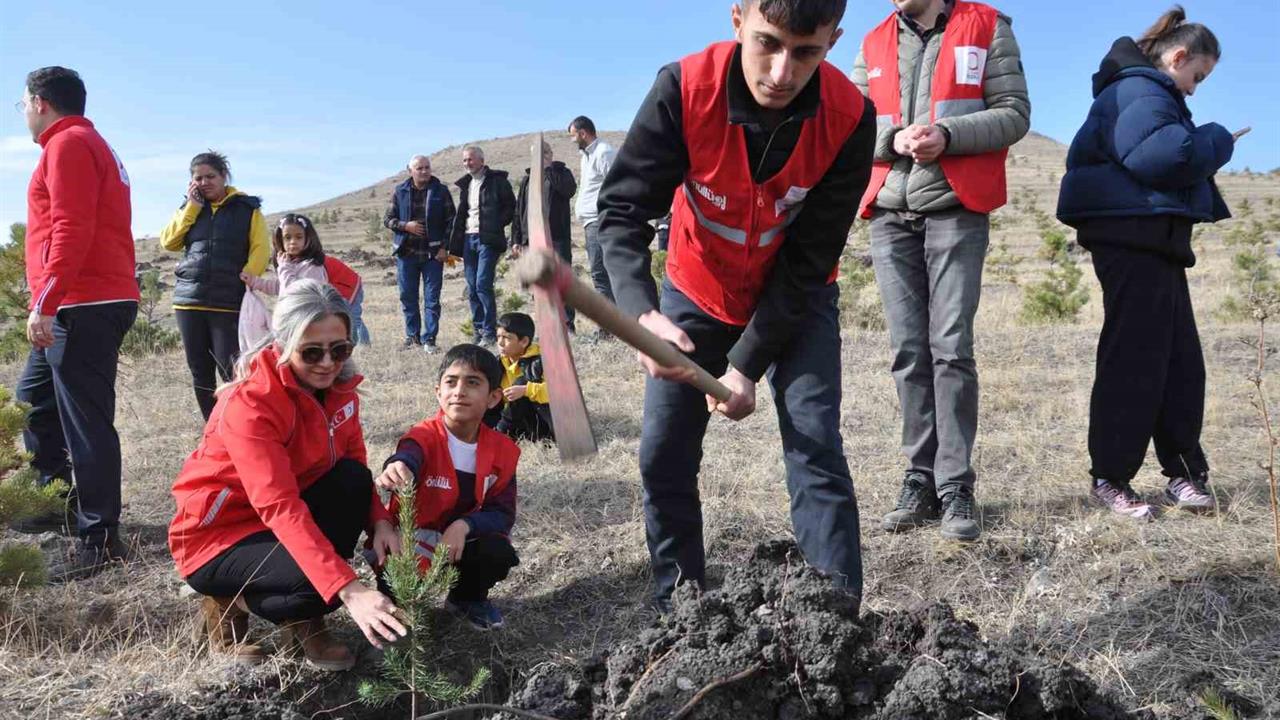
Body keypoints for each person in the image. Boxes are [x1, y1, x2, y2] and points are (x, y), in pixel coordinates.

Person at [596, 0, 876, 610]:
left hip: (797, 296)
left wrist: (746, 363)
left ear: (834, 41)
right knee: (664, 453)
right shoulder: (684, 90)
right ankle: (681, 609)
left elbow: (810, 259)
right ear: (737, 21)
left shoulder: (850, 117)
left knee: (815, 445)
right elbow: (621, 213)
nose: (781, 73)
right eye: (767, 43)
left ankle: (835, 619)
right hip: (695, 290)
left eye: (806, 52)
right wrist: (643, 313)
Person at [851, 0, 1029, 541]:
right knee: (909, 352)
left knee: (950, 349)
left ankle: (955, 485)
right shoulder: (873, 41)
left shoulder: (988, 27)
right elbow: (850, 125)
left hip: (956, 207)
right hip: (889, 212)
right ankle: (919, 479)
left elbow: (1014, 113)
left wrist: (947, 134)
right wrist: (893, 139)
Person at [1057, 6, 1241, 520]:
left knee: (1179, 362)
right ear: (1178, 57)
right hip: (1131, 238)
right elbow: (1163, 158)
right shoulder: (1140, 90)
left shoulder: (1149, 91)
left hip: (1152, 238)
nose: (1195, 89)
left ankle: (1183, 473)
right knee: (1135, 358)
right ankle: (1110, 478)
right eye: (1197, 75)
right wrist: (1218, 139)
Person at [169, 281, 405, 669]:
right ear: (282, 343)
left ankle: (303, 615)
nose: (328, 363)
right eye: (311, 352)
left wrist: (380, 522)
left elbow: (355, 463)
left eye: (339, 349)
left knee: (351, 481)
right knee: (324, 585)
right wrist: (350, 590)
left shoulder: (340, 390)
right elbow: (278, 505)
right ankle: (228, 601)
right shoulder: (251, 404)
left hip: (285, 516)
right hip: (219, 536)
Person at [12, 66, 141, 581]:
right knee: (32, 402)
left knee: (85, 421)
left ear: (40, 102)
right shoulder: (84, 143)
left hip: (83, 303)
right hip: (78, 300)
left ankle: (100, 537)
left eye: (22, 104)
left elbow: (71, 226)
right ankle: (59, 503)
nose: (22, 113)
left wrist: (47, 300)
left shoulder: (68, 145)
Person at [375, 344, 521, 631]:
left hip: (460, 544)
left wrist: (464, 525)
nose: (459, 391)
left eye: (473, 383)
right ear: (438, 392)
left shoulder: (503, 451)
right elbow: (407, 457)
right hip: (412, 544)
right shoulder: (423, 437)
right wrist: (397, 466)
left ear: (493, 398)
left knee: (497, 551)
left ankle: (466, 599)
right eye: (451, 382)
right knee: (398, 577)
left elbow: (502, 514)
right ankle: (396, 604)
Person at [160, 151, 270, 419]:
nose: (204, 182)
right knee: (199, 370)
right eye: (198, 178)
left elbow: (261, 247)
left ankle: (241, 422)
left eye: (210, 176)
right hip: (188, 302)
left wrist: (248, 274)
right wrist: (191, 209)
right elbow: (169, 242)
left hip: (227, 300)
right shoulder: (189, 207)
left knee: (231, 368)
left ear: (224, 176)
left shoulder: (247, 208)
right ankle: (212, 427)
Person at [239, 214, 367, 350]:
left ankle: (359, 347)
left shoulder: (312, 267)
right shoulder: (291, 262)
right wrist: (255, 282)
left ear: (308, 238)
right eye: (287, 237)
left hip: (346, 287)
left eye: (298, 237)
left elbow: (294, 292)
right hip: (327, 290)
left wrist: (284, 268)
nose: (293, 242)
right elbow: (280, 286)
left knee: (350, 323)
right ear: (280, 240)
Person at [385, 155, 455, 354]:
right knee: (408, 297)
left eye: (427, 167)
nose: (424, 171)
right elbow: (388, 219)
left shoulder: (441, 191)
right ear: (410, 171)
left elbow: (452, 221)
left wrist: (444, 248)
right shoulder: (400, 191)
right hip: (406, 254)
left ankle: (430, 339)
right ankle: (412, 337)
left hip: (433, 255)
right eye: (420, 168)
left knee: (432, 299)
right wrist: (405, 225)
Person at [449, 146, 515, 347]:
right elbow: (462, 214)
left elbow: (510, 206)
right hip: (468, 239)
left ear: (481, 160)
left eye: (470, 159)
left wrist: (495, 224)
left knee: (482, 284)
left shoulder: (497, 181)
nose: (467, 163)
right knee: (471, 287)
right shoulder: (466, 184)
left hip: (488, 239)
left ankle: (489, 331)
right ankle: (478, 331)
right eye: (464, 160)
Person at [512, 141, 578, 332]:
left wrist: (549, 169)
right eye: (536, 154)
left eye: (543, 153)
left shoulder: (562, 172)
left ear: (550, 153)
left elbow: (568, 190)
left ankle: (567, 325)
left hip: (557, 237)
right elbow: (519, 211)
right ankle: (546, 325)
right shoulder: (527, 179)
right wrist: (517, 240)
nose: (539, 158)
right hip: (532, 239)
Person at [568, 116, 618, 331]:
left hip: (600, 221)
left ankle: (608, 328)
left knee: (600, 274)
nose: (572, 141)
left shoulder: (604, 152)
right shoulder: (587, 156)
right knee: (600, 273)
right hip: (591, 222)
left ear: (583, 133)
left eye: (573, 136)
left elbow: (617, 186)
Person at [492, 312, 555, 443]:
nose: (500, 343)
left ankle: (499, 435)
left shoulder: (543, 361)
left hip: (544, 424)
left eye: (507, 338)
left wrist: (526, 390)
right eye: (498, 337)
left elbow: (560, 394)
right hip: (516, 422)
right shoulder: (497, 363)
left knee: (521, 383)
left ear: (524, 341)